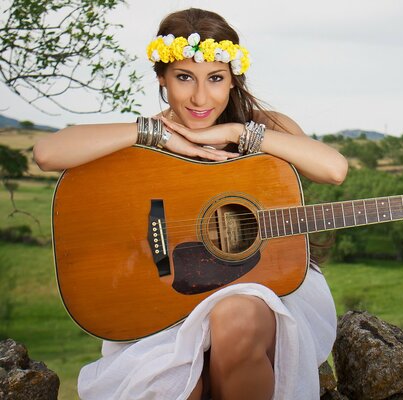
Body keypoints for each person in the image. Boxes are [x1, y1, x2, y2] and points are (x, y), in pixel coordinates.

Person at [33, 8, 348, 400]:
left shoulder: (263, 125)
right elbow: (47, 153)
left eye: (215, 79)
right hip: (168, 298)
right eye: (184, 77)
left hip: (264, 285)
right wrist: (158, 135)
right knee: (182, 382)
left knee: (234, 317)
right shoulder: (147, 138)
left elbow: (334, 169)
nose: (201, 97)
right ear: (162, 80)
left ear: (233, 80)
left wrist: (236, 131)